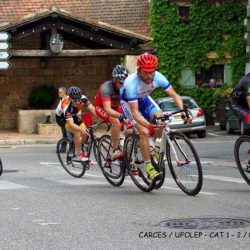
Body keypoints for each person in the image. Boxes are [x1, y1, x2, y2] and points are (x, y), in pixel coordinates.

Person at [120, 53, 185, 181]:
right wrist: (149, 126)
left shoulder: (158, 77)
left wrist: (183, 111)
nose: (150, 75)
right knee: (144, 131)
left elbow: (175, 95)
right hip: (129, 103)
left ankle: (153, 146)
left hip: (144, 99)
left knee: (160, 119)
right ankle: (148, 166)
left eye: (152, 72)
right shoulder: (131, 84)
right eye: (146, 72)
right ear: (138, 71)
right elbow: (135, 113)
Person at [94, 65, 130, 159]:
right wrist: (120, 116)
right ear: (115, 81)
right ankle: (115, 150)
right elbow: (108, 109)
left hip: (116, 107)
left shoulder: (126, 87)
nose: (123, 86)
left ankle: (121, 141)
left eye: (125, 83)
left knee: (130, 122)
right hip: (102, 107)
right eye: (120, 83)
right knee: (116, 122)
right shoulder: (106, 87)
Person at [61, 86, 96, 162]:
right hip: (64, 119)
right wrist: (81, 129)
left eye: (78, 100)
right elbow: (70, 124)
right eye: (75, 101)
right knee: (77, 132)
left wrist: (105, 118)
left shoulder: (83, 98)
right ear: (70, 99)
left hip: (74, 116)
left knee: (86, 133)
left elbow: (93, 110)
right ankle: (78, 153)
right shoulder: (66, 105)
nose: (77, 102)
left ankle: (77, 145)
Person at [55, 87, 68, 152]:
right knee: (65, 134)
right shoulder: (62, 100)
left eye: (59, 92)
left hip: (65, 120)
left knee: (67, 134)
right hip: (62, 120)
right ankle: (63, 148)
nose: (58, 93)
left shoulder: (66, 100)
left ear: (64, 93)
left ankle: (64, 148)